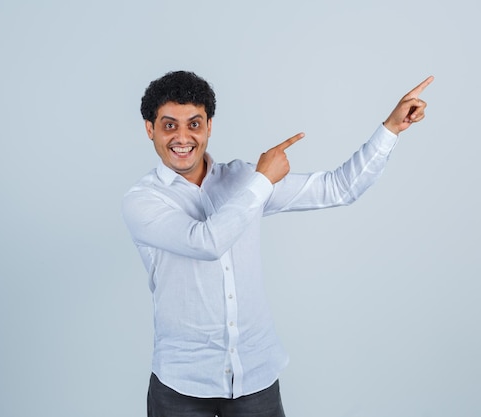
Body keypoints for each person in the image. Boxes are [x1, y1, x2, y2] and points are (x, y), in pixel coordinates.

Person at [122, 71, 433, 417]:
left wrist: (390, 129)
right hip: (181, 384)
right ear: (150, 129)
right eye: (169, 126)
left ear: (209, 126)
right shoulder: (143, 200)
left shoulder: (242, 178)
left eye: (194, 124)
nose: (183, 137)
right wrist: (263, 182)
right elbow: (205, 243)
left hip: (255, 376)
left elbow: (338, 188)